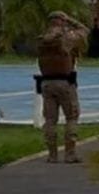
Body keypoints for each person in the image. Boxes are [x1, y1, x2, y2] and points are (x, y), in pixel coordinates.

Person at [36, 10, 91, 164]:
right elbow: (85, 30)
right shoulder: (67, 38)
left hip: (46, 83)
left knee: (50, 119)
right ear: (62, 21)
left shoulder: (41, 40)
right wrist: (70, 20)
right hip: (65, 82)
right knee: (72, 117)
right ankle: (70, 154)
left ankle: (52, 155)